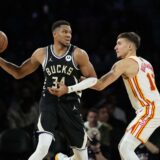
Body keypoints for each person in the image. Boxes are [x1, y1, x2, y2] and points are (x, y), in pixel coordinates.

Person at [50, 32, 160, 160]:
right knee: (127, 148)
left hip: (149, 109)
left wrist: (72, 85)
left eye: (119, 43)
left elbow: (100, 85)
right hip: (152, 108)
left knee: (125, 147)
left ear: (130, 46)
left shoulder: (124, 63)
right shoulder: (146, 63)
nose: (115, 47)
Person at [0, 20, 97, 160]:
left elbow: (93, 79)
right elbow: (18, 72)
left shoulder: (78, 54)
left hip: (70, 104)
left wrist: (69, 89)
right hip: (49, 102)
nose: (68, 35)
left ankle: (63, 159)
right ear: (55, 34)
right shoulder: (41, 53)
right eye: (64, 32)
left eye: (70, 32)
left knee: (82, 157)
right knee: (42, 148)